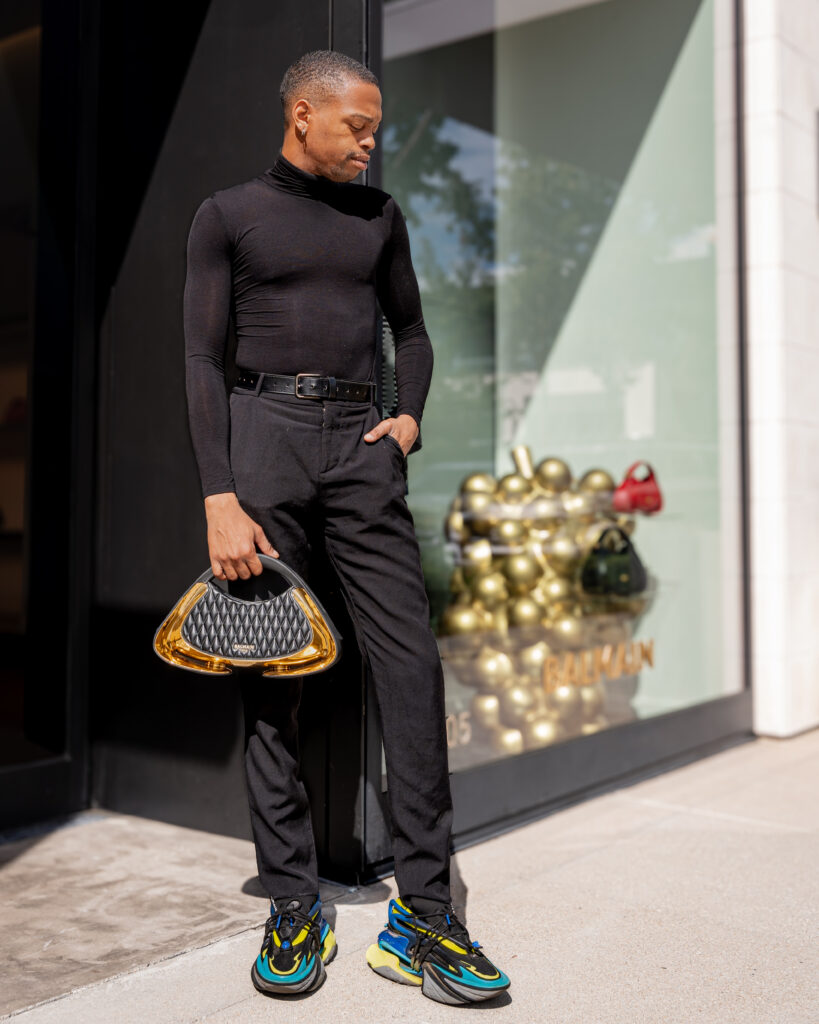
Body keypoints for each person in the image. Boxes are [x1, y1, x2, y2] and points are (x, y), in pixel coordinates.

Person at [183, 49, 510, 1006]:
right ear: (301, 116)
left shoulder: (380, 218)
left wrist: (407, 418)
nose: (371, 142)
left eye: (375, 127)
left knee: (409, 666)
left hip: (359, 446)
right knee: (271, 671)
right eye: (356, 125)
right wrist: (218, 493)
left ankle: (425, 914)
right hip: (262, 443)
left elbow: (410, 330)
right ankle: (291, 899)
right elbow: (201, 357)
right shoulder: (227, 215)